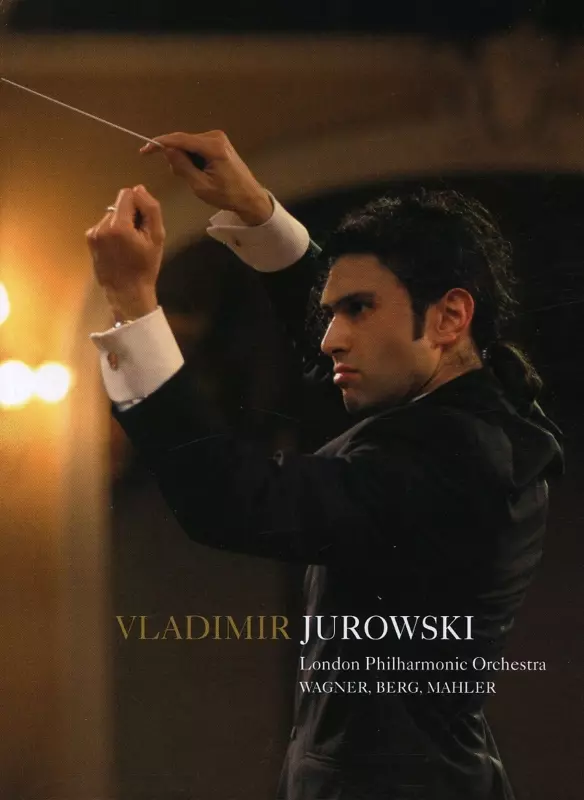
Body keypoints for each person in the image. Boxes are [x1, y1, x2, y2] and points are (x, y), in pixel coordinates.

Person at [87, 131, 564, 800]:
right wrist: (255, 211)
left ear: (451, 316)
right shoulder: (469, 417)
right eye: (332, 311)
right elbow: (351, 341)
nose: (332, 337)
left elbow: (227, 498)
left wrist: (133, 304)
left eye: (357, 309)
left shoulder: (453, 459)